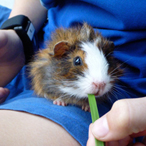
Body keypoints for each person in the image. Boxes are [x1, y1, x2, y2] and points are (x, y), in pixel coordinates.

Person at [0, 0, 146, 146]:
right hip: (33, 32)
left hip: (129, 93)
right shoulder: (49, 66)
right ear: (60, 53)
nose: (99, 82)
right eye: (78, 62)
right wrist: (17, 33)